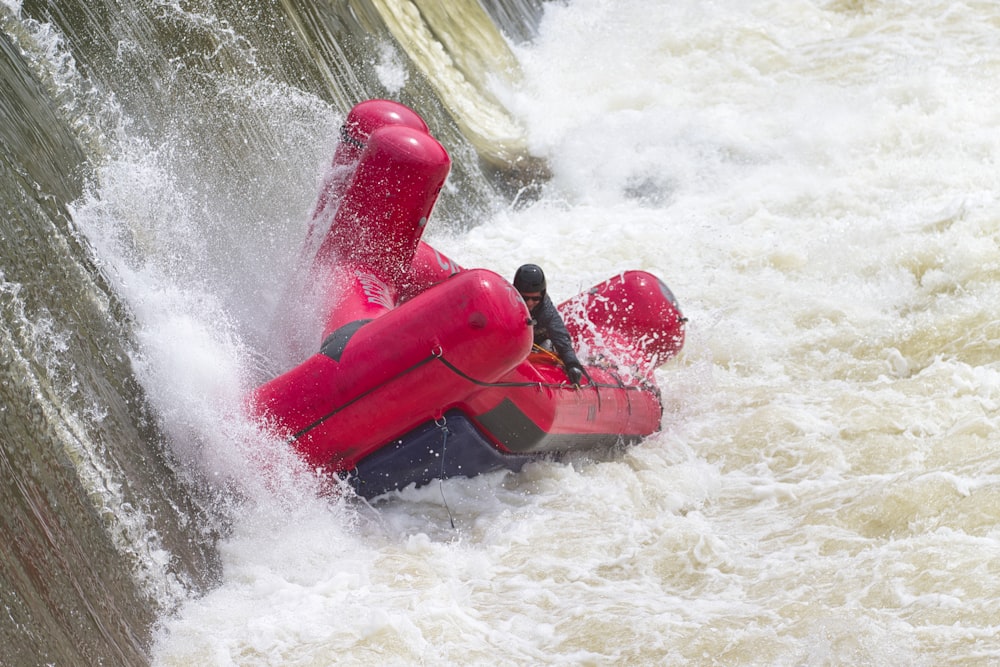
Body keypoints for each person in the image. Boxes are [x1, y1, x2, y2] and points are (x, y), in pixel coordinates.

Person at [513, 263, 585, 386]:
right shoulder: (506, 302)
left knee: (547, 345)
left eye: (535, 298)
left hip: (539, 344)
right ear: (516, 292)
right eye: (525, 298)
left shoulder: (546, 311)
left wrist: (572, 364)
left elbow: (561, 338)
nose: (530, 303)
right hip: (515, 342)